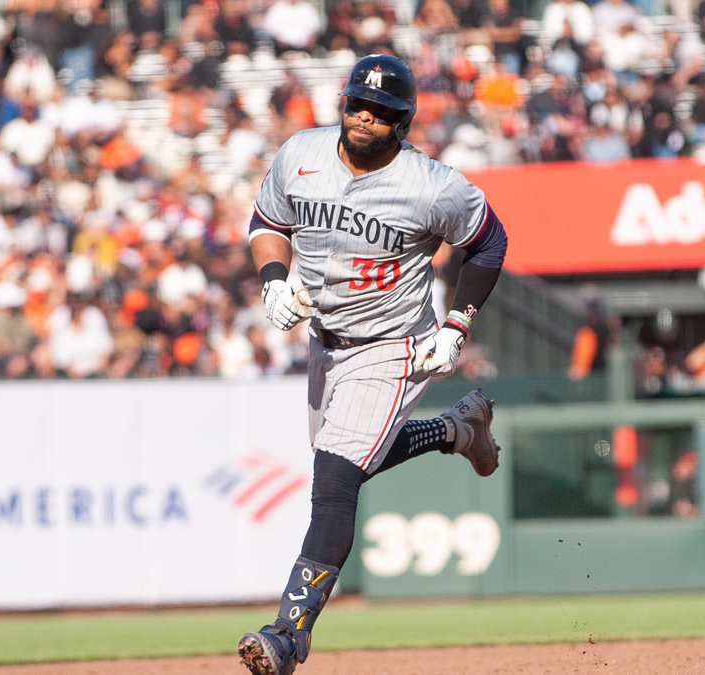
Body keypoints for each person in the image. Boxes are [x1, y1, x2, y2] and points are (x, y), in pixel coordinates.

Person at [238, 54, 509, 675]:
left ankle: (288, 634)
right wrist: (274, 281)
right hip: (326, 340)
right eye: (359, 103)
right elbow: (267, 221)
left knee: (333, 483)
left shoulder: (432, 184)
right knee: (349, 460)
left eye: (382, 111)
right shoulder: (300, 154)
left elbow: (488, 241)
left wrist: (458, 323)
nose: (365, 117)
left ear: (404, 120)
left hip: (391, 343)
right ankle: (457, 430)